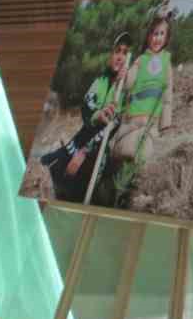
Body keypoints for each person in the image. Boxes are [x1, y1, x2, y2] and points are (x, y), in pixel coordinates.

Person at [39, 32, 130, 203]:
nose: (121, 57)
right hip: (76, 145)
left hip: (96, 154)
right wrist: (98, 115)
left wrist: (85, 152)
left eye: (125, 53)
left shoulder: (125, 90)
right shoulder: (100, 82)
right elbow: (87, 111)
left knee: (78, 196)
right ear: (109, 55)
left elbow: (112, 126)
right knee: (45, 167)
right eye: (117, 51)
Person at [106, 12, 175, 196]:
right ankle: (113, 191)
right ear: (148, 36)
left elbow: (167, 95)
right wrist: (123, 74)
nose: (157, 38)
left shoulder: (167, 63)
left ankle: (128, 194)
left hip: (151, 121)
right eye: (153, 33)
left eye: (161, 34)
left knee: (142, 158)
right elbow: (128, 84)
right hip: (132, 119)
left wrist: (166, 123)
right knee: (124, 152)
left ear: (166, 38)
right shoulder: (140, 60)